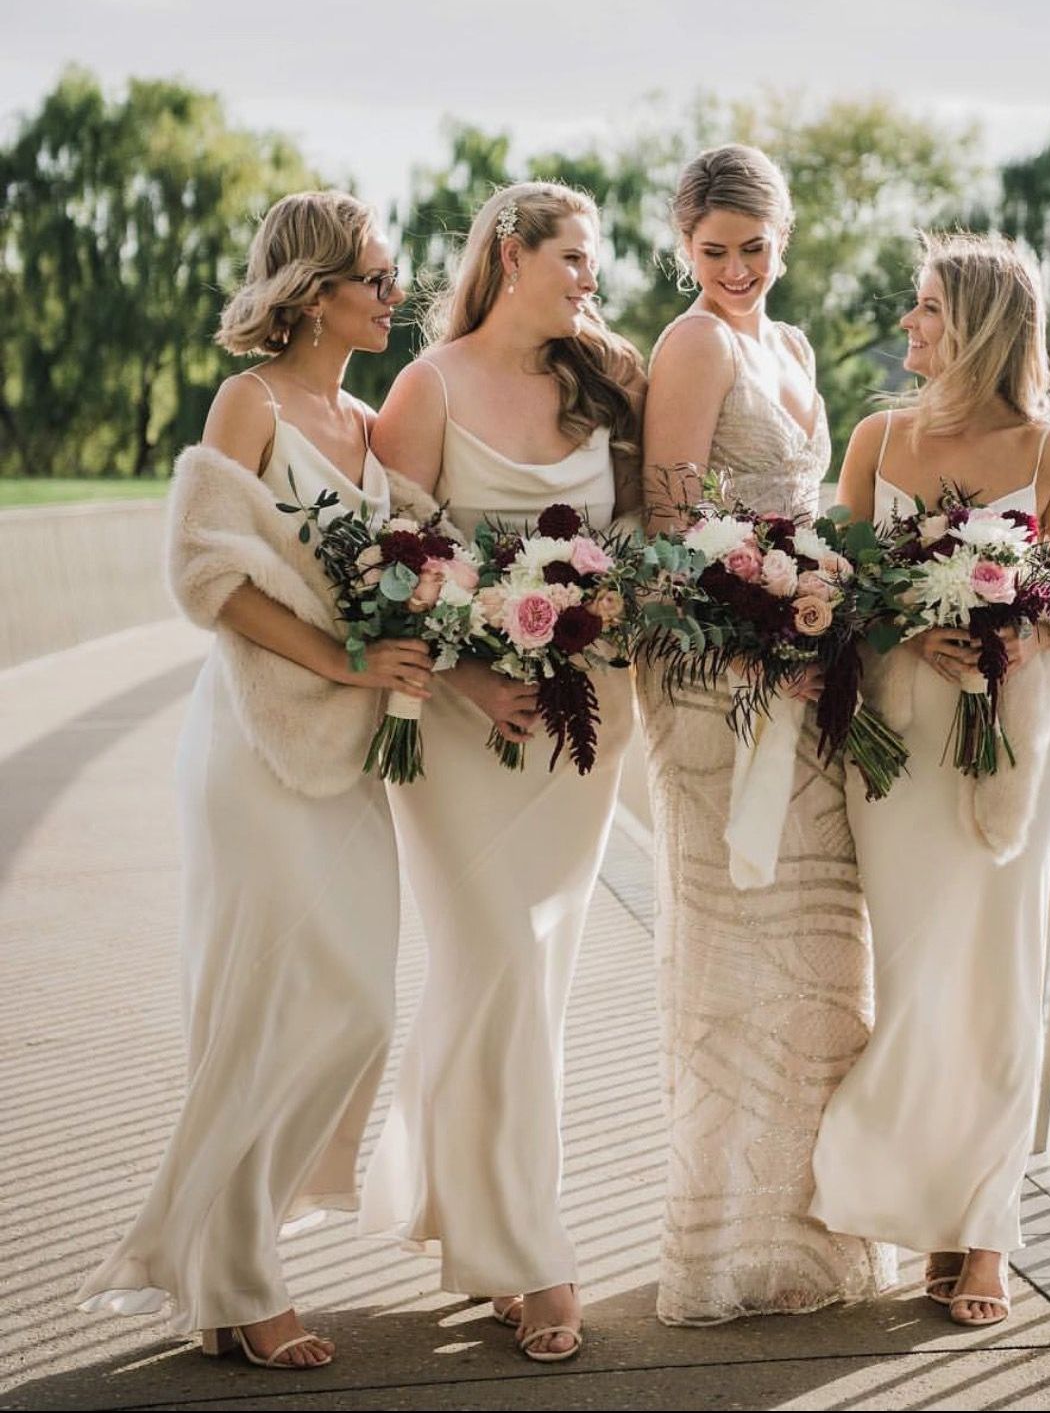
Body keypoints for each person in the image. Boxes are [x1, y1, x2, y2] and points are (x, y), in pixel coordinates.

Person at [76, 191, 432, 1369]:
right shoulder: (252, 402)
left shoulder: (372, 425)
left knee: (361, 1008)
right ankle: (240, 1282)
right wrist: (342, 654)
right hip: (252, 741)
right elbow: (204, 571)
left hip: (351, 753)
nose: (394, 296)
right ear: (316, 289)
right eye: (376, 278)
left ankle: (229, 1249)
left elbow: (418, 561)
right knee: (256, 1007)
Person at [810, 229, 1050, 1325]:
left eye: (929, 307)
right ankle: (919, 1205)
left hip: (1014, 750)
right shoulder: (876, 438)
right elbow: (834, 590)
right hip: (896, 751)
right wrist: (909, 620)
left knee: (1002, 975)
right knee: (915, 981)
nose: (910, 324)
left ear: (985, 324)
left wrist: (1024, 636)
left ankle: (983, 1229)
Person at [361, 181, 645, 1365]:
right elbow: (385, 564)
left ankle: (484, 1218)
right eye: (575, 256)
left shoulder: (608, 380)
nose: (590, 277)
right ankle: (531, 1251)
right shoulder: (425, 386)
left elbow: (642, 537)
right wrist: (472, 679)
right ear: (512, 253)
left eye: (596, 260)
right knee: (495, 964)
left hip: (582, 725)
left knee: (529, 979)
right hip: (465, 731)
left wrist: (609, 605)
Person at [636, 143, 896, 1325]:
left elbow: (822, 514)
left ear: (783, 240)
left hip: (810, 673)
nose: (736, 270)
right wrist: (749, 635)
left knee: (822, 959)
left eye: (753, 247)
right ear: (685, 248)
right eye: (713, 251)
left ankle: (811, 1235)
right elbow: (671, 519)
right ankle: (722, 1254)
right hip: (719, 681)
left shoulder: (789, 349)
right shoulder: (690, 346)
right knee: (735, 955)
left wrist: (825, 610)